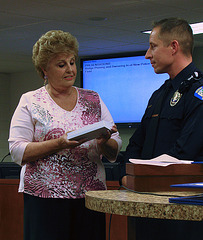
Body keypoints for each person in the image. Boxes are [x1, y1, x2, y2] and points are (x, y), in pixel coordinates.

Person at [8, 30, 122, 240]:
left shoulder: (93, 99)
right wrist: (59, 143)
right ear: (44, 69)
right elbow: (17, 151)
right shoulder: (30, 101)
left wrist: (104, 141)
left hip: (90, 196)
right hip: (45, 198)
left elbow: (115, 147)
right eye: (61, 65)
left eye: (72, 62)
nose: (70, 69)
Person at [123, 18, 203, 240]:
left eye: (153, 46)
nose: (147, 55)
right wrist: (128, 175)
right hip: (147, 206)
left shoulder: (199, 93)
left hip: (182, 210)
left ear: (174, 47)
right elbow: (135, 145)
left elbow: (184, 153)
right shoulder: (159, 95)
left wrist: (139, 179)